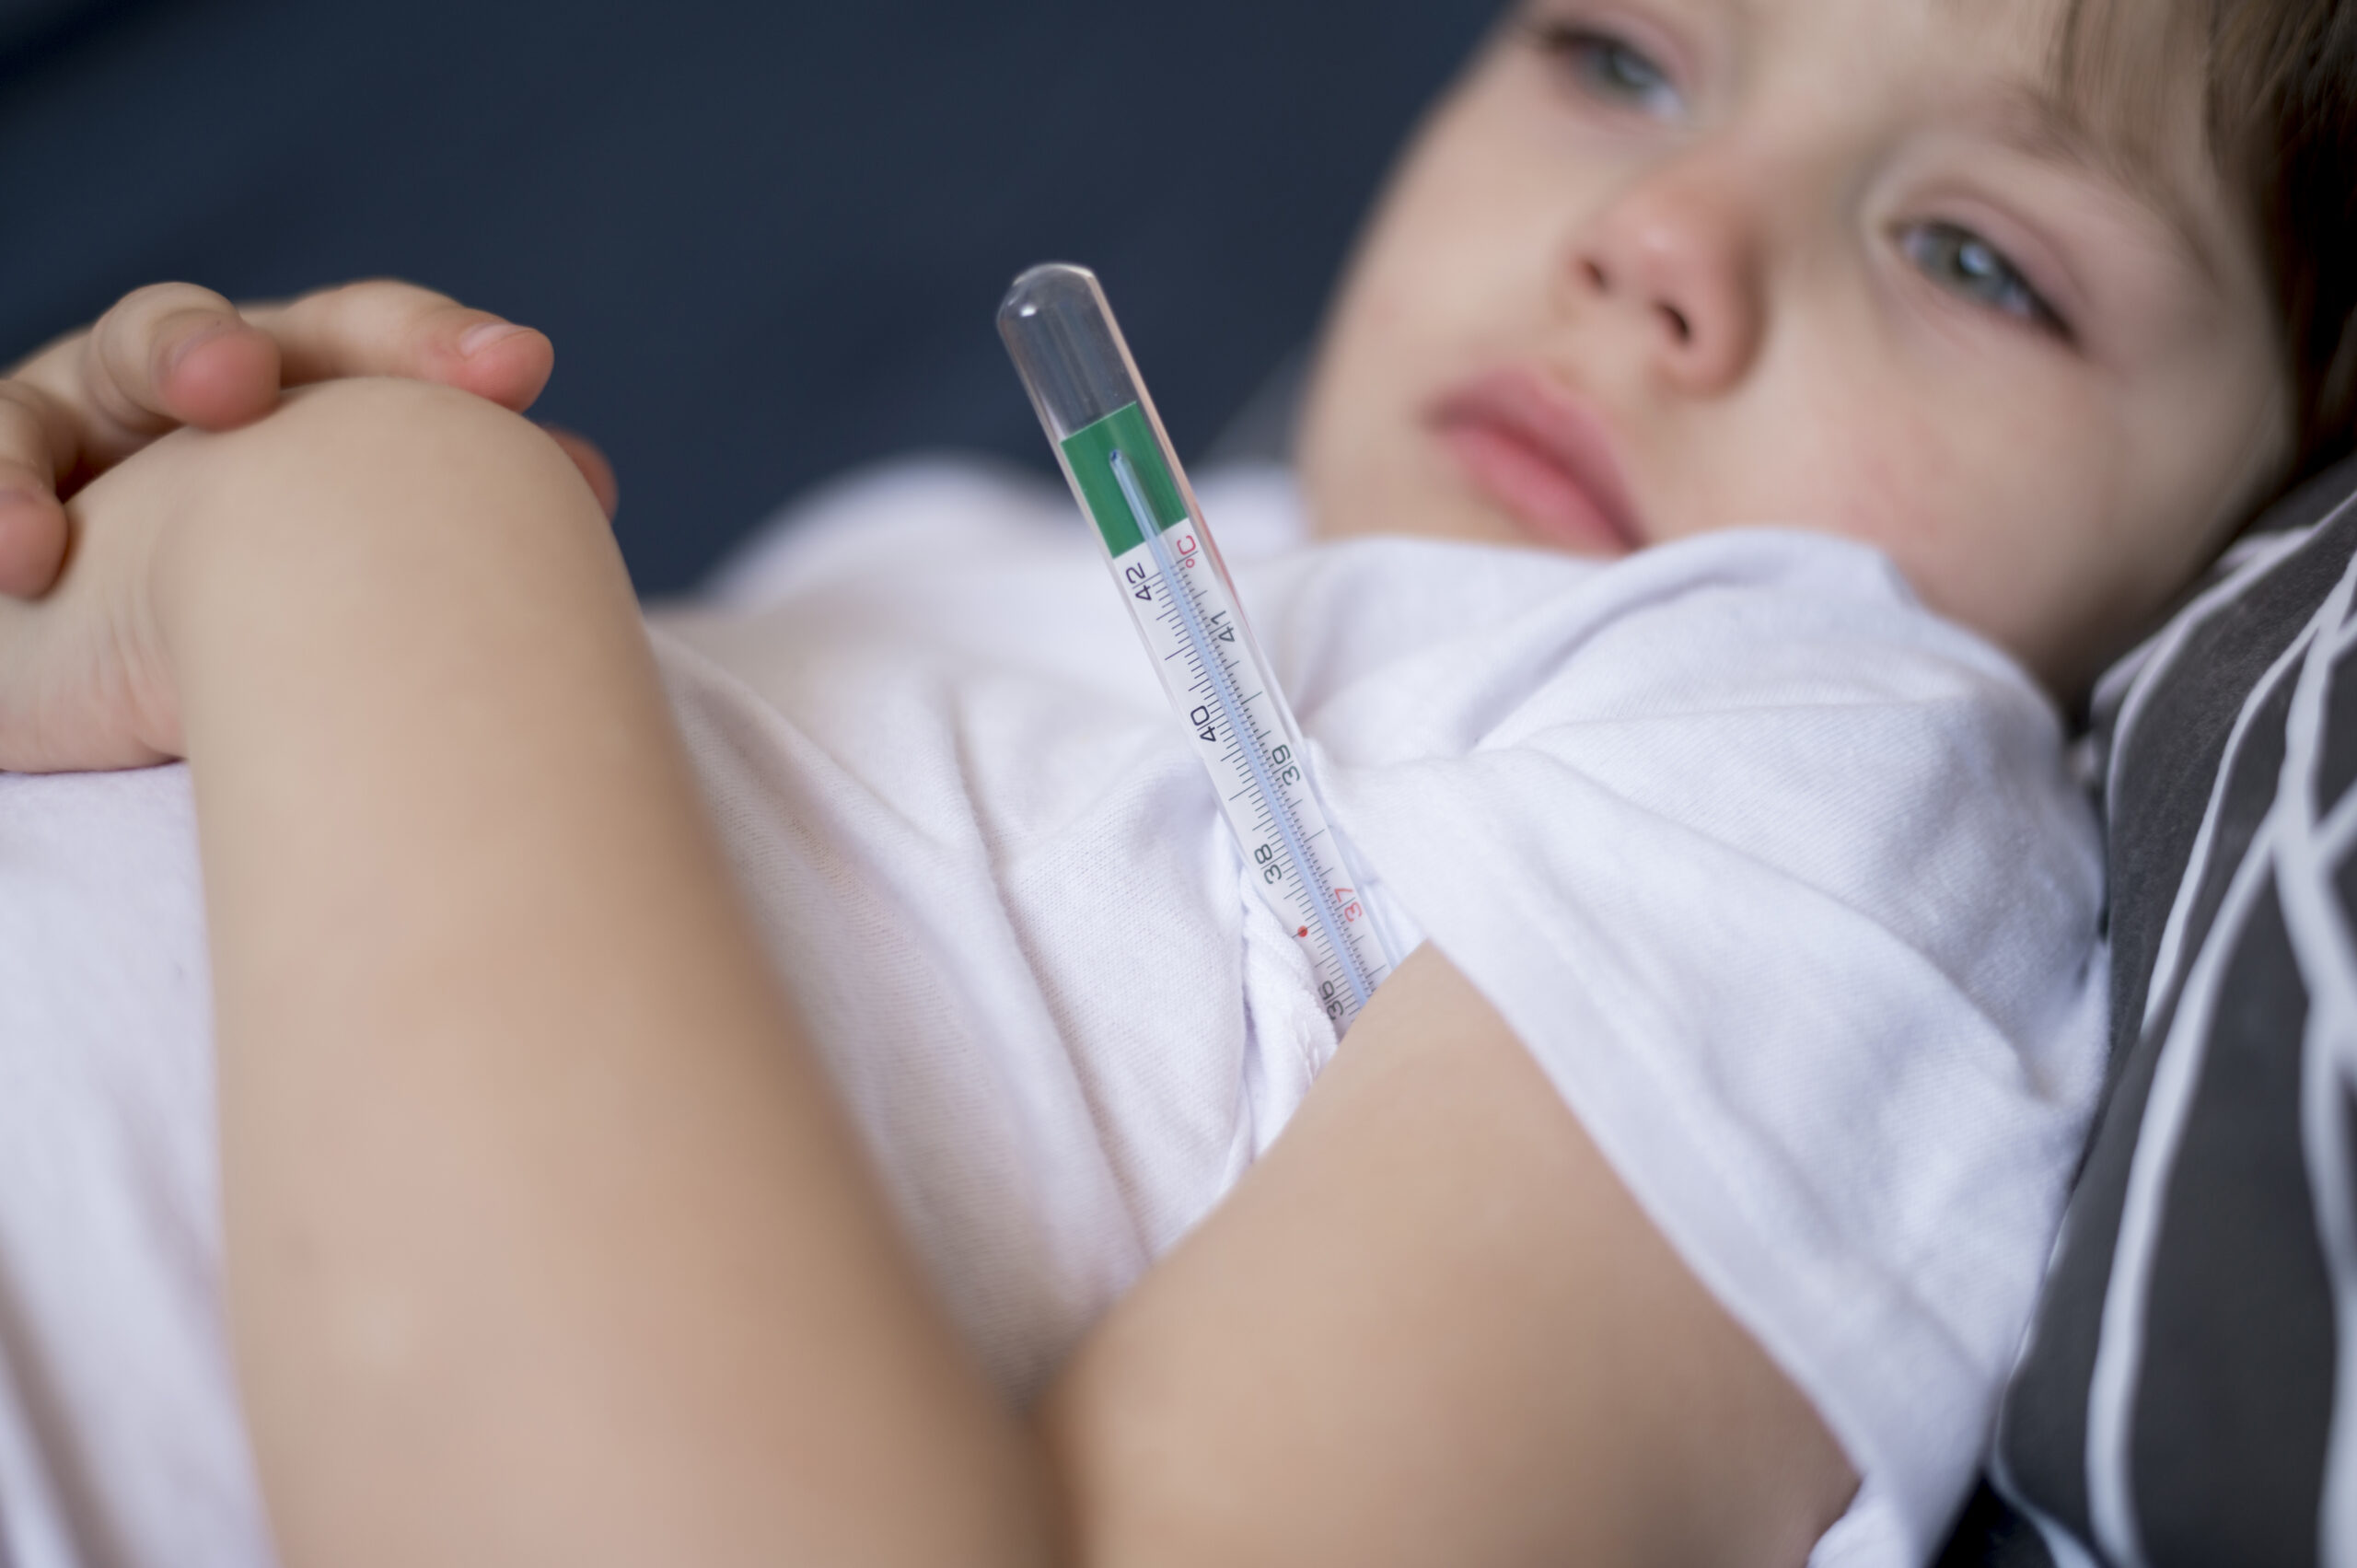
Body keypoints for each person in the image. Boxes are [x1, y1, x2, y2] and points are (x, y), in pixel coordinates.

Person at [0, 0, 2343, 1563]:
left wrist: (376, 543)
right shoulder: (929, 560)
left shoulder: (1821, 779)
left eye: (1971, 255)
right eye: (1622, 59)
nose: (1659, 240)